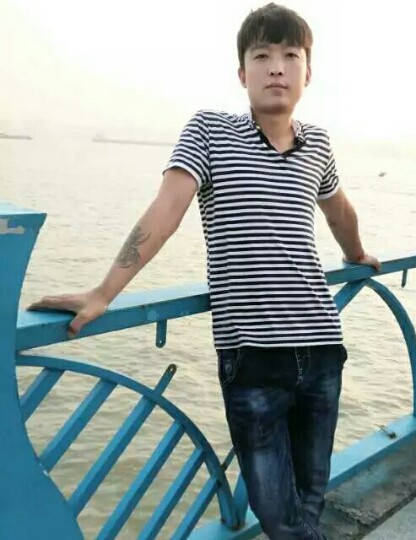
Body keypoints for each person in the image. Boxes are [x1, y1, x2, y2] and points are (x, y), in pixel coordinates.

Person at [29, 3, 380, 538]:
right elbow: (166, 211)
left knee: (310, 497)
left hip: (321, 346)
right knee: (277, 512)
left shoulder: (319, 144)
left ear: (308, 72)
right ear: (242, 73)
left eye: (291, 55)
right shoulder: (209, 131)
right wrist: (104, 292)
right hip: (253, 356)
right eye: (262, 56)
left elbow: (339, 212)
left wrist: (356, 254)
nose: (277, 67)